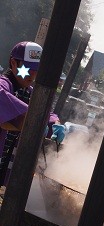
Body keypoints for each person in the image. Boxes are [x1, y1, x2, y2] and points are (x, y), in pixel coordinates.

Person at [0, 41, 65, 186]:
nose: (33, 75)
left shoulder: (29, 92)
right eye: (28, 68)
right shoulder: (3, 84)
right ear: (13, 63)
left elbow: (46, 113)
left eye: (37, 70)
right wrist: (35, 120)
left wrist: (55, 123)